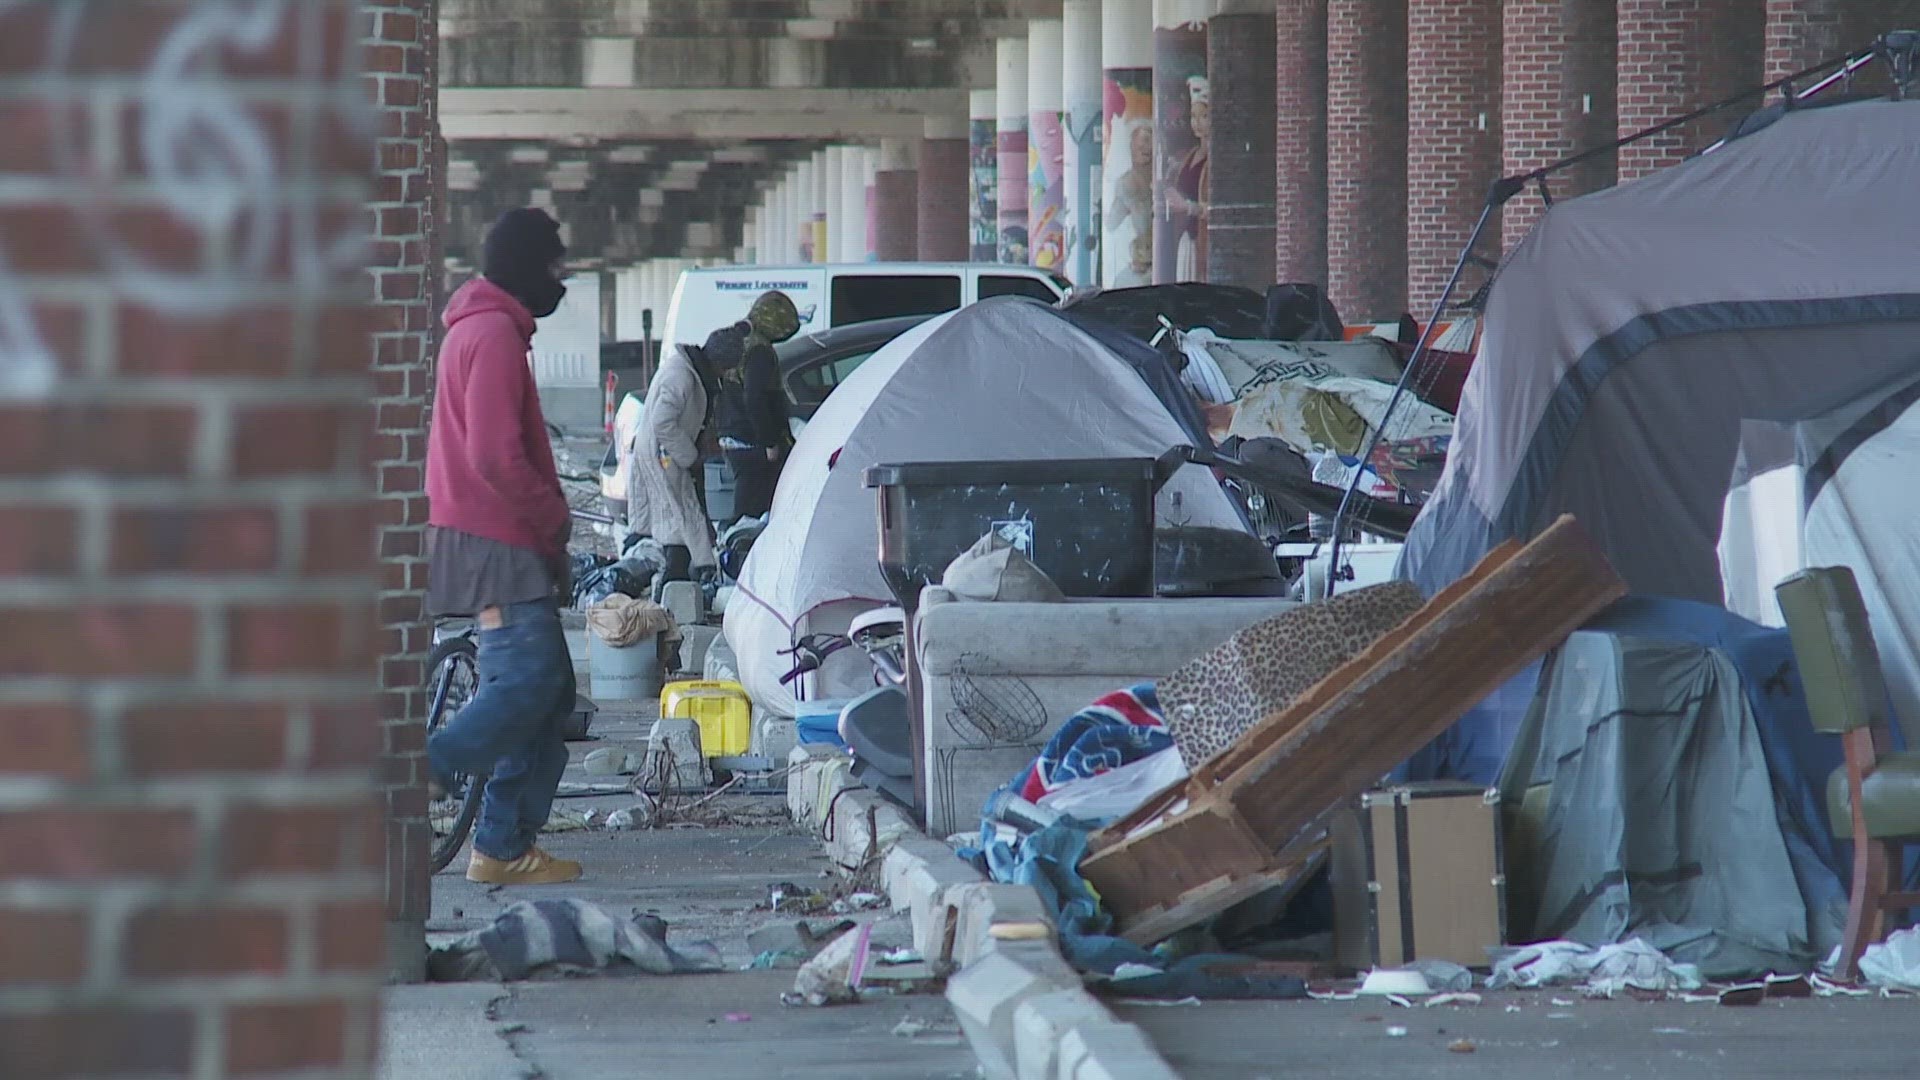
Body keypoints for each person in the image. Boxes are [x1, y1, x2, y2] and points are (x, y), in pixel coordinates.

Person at [424, 207, 582, 886]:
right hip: (495, 542)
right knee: (527, 681)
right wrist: (554, 517)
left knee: (548, 693)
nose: (563, 276)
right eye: (554, 264)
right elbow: (494, 455)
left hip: (499, 539)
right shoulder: (489, 335)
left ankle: (502, 846)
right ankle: (421, 769)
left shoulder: (489, 331)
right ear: (525, 266)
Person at [631, 322, 740, 591]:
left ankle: (678, 587)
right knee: (678, 522)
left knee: (679, 521)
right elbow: (662, 422)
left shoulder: (688, 370)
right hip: (665, 456)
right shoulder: (682, 376)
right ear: (719, 362)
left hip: (667, 454)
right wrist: (690, 456)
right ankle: (674, 590)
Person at [714, 291, 801, 521]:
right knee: (753, 515)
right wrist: (770, 442)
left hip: (732, 435)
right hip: (753, 442)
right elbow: (755, 398)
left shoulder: (737, 341)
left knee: (747, 507)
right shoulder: (759, 350)